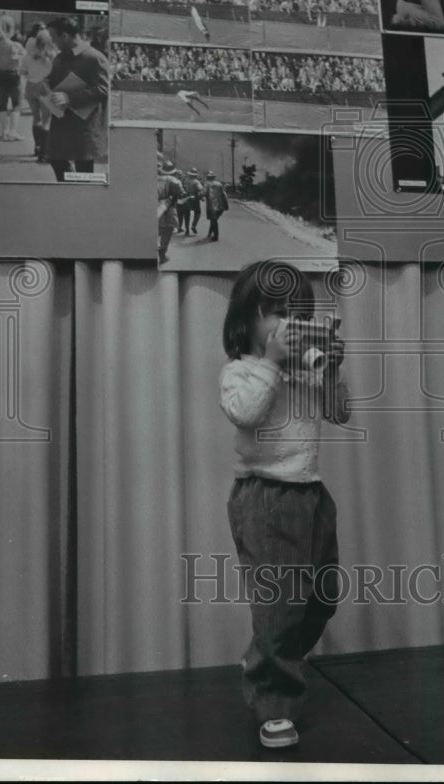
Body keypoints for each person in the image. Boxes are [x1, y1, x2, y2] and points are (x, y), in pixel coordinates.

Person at [219, 260, 351, 749]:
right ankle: (274, 702)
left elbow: (340, 413)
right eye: (275, 314)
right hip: (265, 498)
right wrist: (273, 363)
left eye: (295, 315)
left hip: (311, 494)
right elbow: (245, 413)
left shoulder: (303, 372)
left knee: (320, 598)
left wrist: (329, 368)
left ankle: (265, 658)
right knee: (279, 606)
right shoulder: (240, 371)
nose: (285, 325)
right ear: (245, 321)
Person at [44, 16, 109, 182]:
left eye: (53, 38)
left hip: (84, 126)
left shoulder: (95, 58)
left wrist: (69, 98)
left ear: (64, 36)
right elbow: (54, 81)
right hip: (61, 122)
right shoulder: (59, 57)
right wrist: (45, 84)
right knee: (56, 159)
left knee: (84, 174)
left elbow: (104, 89)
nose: (52, 42)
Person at [0, 14, 26, 142]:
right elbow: (23, 61)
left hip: (0, 74)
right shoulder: (16, 45)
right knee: (17, 104)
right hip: (13, 75)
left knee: (2, 103)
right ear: (11, 29)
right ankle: (13, 131)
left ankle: (4, 132)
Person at [21, 27, 57, 162]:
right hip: (45, 86)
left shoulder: (27, 56)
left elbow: (23, 72)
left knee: (36, 118)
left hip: (31, 86)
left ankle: (37, 147)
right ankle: (44, 153)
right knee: (46, 121)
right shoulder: (52, 56)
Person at [157, 158, 186, 264]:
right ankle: (162, 254)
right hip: (168, 208)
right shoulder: (173, 180)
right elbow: (180, 193)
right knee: (167, 231)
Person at [204, 171, 229, 241]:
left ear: (208, 177)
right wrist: (226, 204)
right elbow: (224, 194)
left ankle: (216, 236)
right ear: (214, 177)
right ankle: (209, 233)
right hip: (220, 205)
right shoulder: (219, 184)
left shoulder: (207, 184)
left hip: (211, 205)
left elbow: (204, 193)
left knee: (213, 220)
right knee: (214, 219)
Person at [180, 167, 205, 235]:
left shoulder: (186, 181)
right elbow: (200, 190)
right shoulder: (196, 182)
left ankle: (187, 230)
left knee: (186, 215)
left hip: (187, 198)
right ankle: (193, 225)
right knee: (198, 213)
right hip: (195, 199)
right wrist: (201, 197)